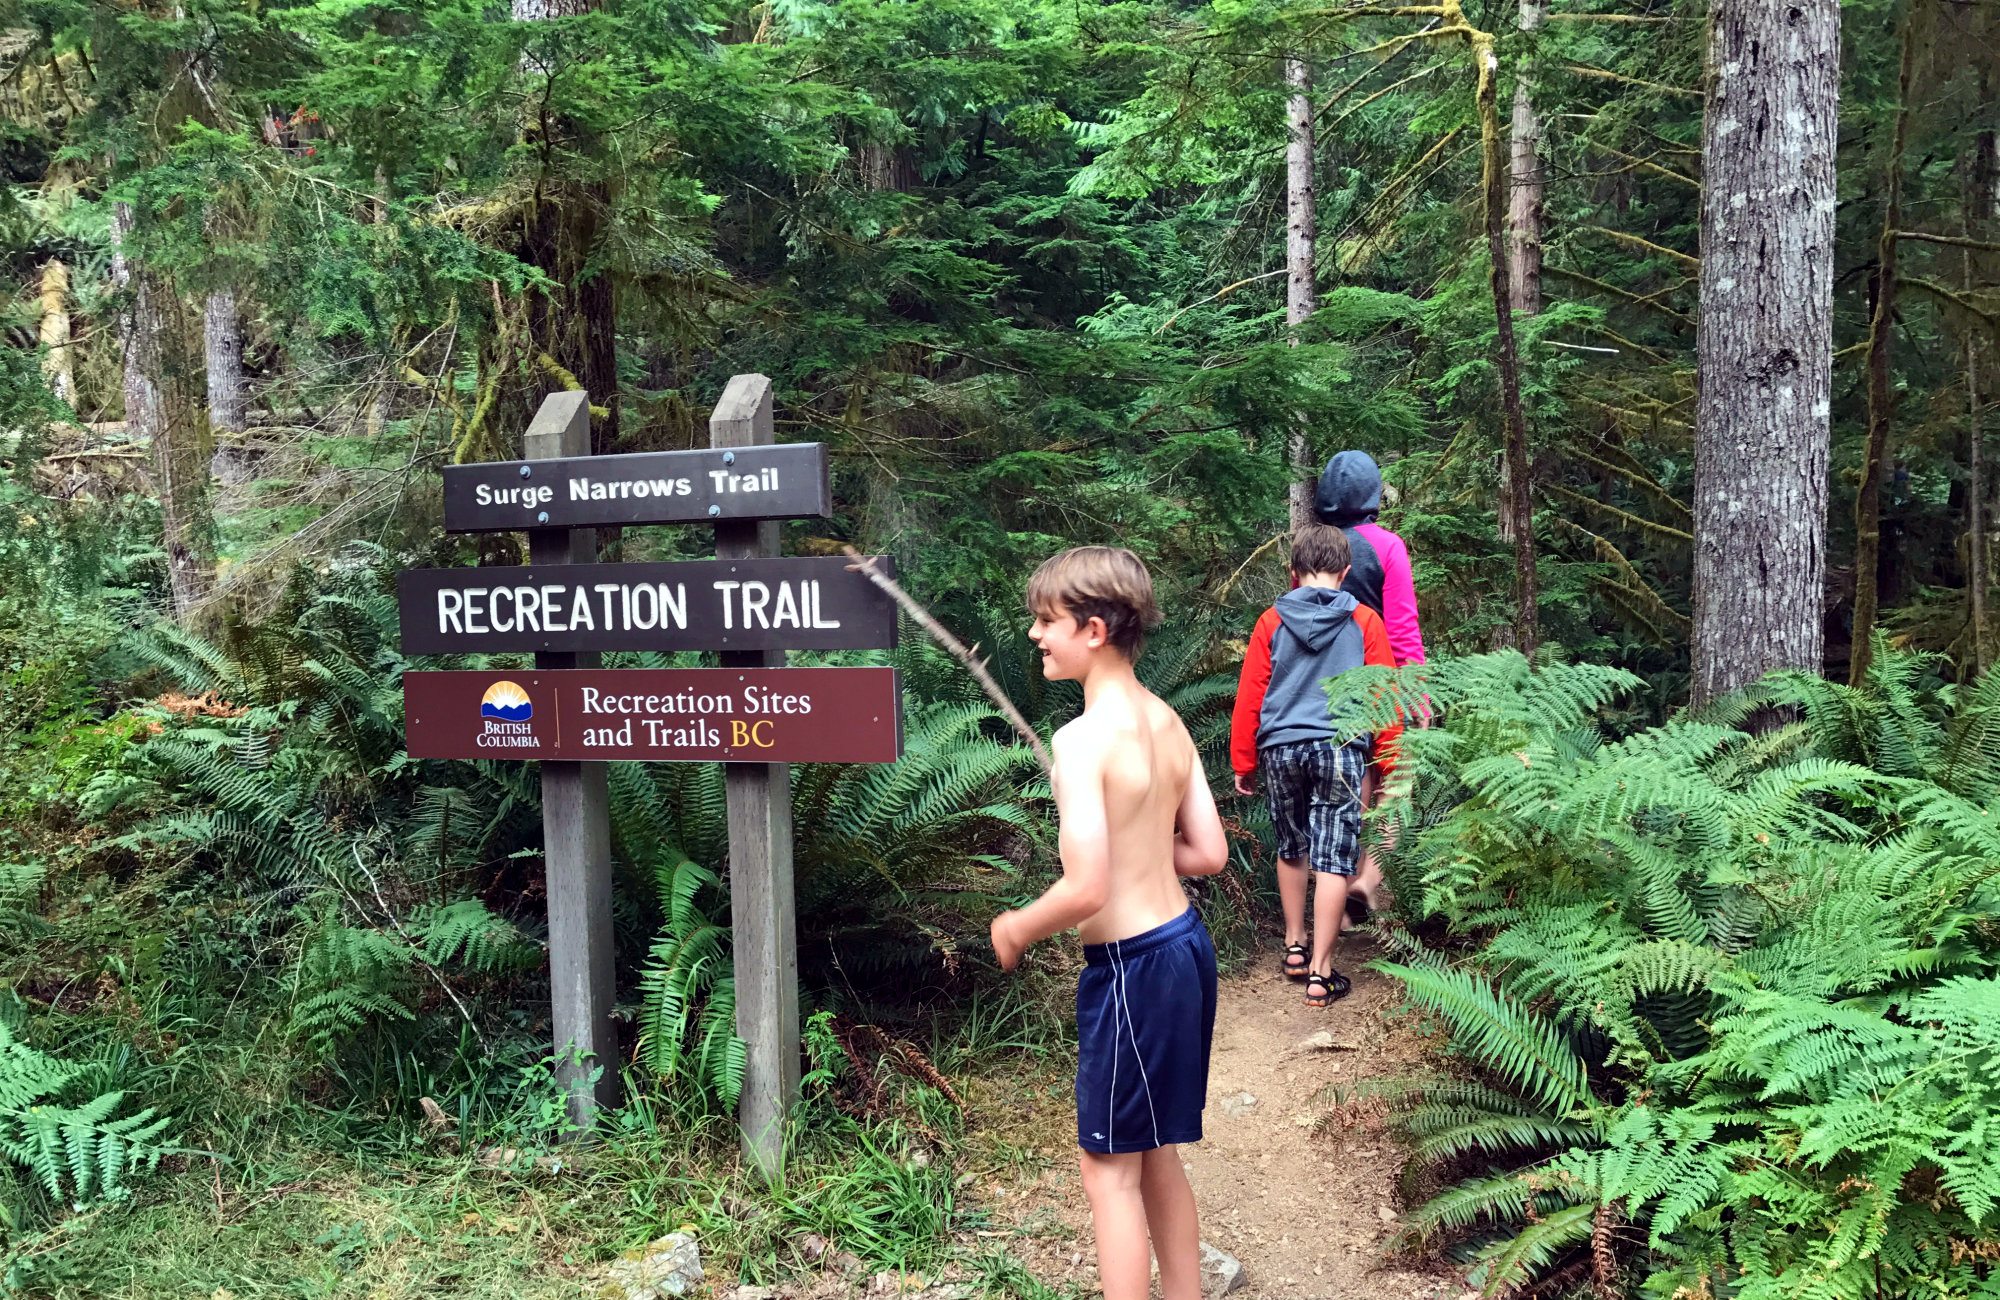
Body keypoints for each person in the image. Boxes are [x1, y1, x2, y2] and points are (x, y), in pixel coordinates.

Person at [989, 545, 1230, 1300]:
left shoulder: (1080, 740)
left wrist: (1019, 926)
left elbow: (1086, 888)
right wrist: (1140, 845)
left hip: (1132, 972)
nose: (1036, 636)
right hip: (1185, 950)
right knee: (1155, 1152)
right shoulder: (1166, 720)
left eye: (1045, 621)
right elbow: (1211, 853)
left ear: (1093, 629)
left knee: (1107, 1173)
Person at [1229, 524, 1399, 1005]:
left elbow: (1252, 696)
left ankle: (1293, 946)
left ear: (1293, 572)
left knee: (1291, 846)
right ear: (1345, 574)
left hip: (1280, 749)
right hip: (1342, 749)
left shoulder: (1270, 621)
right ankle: (1321, 974)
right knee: (1334, 858)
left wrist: (1243, 760)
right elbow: (1382, 697)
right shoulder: (1365, 621)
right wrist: (1389, 762)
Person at [1314, 450, 1426, 921]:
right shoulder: (1388, 547)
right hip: (1381, 684)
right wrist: (1416, 689)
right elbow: (1401, 627)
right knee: (1397, 779)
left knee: (1344, 790)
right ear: (1373, 495)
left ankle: (1333, 904)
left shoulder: (1313, 548)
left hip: (1324, 688)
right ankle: (1370, 876)